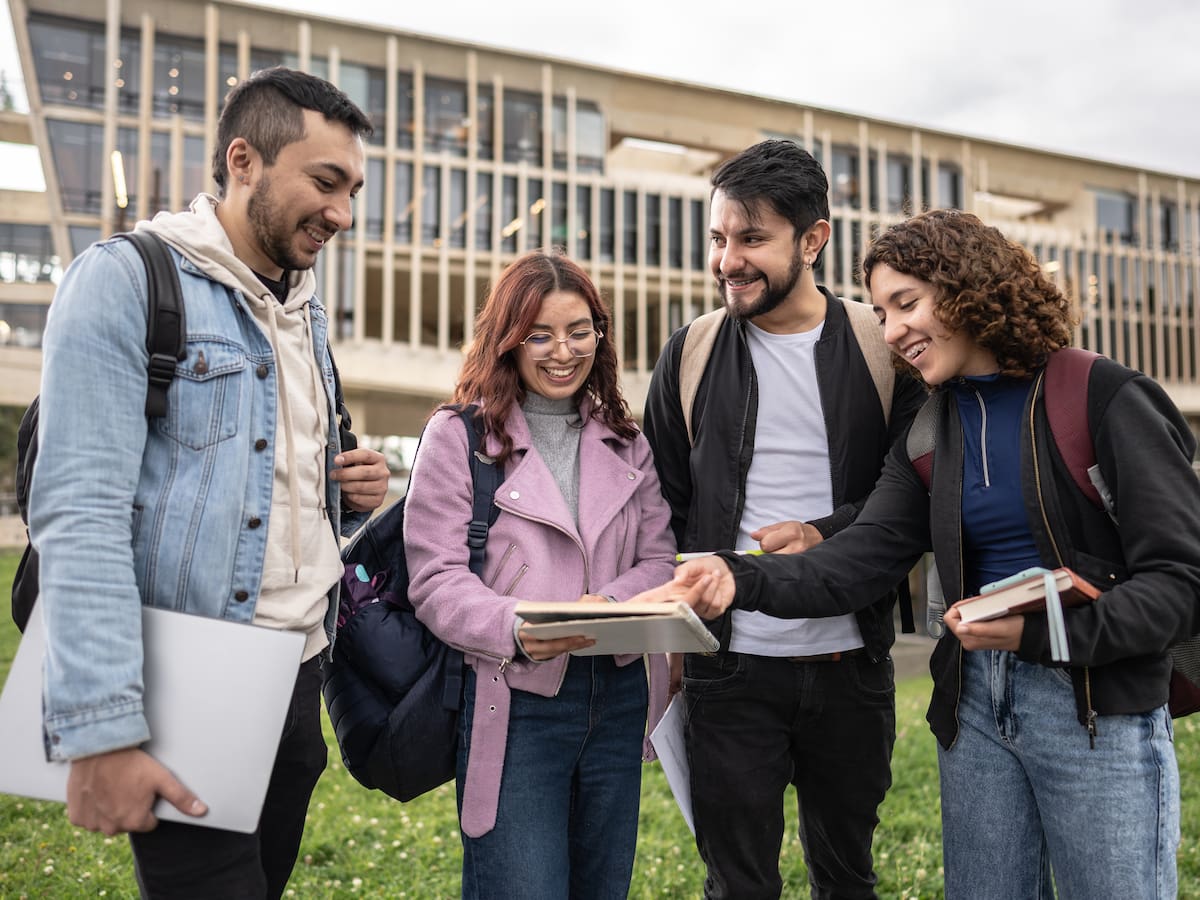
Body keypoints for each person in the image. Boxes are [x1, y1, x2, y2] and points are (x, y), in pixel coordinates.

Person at [652, 208, 1200, 899]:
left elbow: (1181, 583)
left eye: (906, 304)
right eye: (882, 314)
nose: (890, 332)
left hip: (1096, 709)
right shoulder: (930, 428)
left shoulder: (1102, 395)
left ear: (969, 288)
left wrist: (1041, 635)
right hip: (973, 709)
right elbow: (857, 560)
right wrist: (735, 576)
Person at [29, 67, 390, 898]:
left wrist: (346, 489)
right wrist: (103, 732)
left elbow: (254, 479)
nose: (342, 212)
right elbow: (79, 512)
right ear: (243, 161)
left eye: (353, 190)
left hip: (300, 672)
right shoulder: (124, 279)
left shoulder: (305, 309)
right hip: (189, 676)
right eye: (325, 182)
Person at [641, 139, 927, 900]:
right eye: (718, 238)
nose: (728, 260)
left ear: (812, 240)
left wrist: (824, 532)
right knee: (737, 885)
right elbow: (661, 507)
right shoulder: (690, 352)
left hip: (851, 664)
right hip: (727, 666)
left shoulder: (885, 349)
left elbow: (909, 499)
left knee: (847, 879)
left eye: (752, 239)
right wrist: (670, 641)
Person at [402, 250, 676, 899]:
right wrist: (523, 626)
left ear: (600, 335)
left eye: (580, 331)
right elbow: (436, 579)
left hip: (616, 697)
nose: (563, 352)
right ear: (508, 339)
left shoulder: (628, 441)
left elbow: (659, 560)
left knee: (602, 887)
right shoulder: (458, 436)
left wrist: (602, 607)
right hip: (514, 697)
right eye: (540, 335)